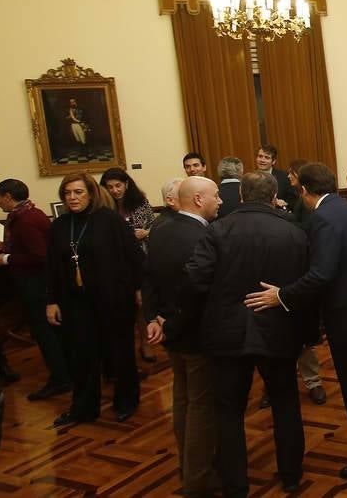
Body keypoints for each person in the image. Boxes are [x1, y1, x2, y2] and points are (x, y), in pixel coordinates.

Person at [243, 163, 347, 482]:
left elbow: (322, 273)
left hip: (346, 321)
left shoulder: (324, 218)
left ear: (303, 190)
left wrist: (281, 296)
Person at [186, 171, 307, 495]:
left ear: (240, 195)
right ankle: (292, 475)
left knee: (227, 412)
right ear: (273, 196)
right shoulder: (293, 232)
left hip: (226, 334)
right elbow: (305, 285)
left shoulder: (217, 230)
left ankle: (235, 484)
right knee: (285, 403)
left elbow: (196, 280)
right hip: (279, 330)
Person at [46, 173, 143, 426]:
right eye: (67, 193)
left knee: (120, 353)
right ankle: (84, 408)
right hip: (76, 302)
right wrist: (52, 300)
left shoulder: (110, 220)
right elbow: (53, 267)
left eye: (78, 192)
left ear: (90, 193)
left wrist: (138, 289)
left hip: (113, 300)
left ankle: (126, 402)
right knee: (82, 356)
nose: (72, 197)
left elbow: (134, 257)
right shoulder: (59, 225)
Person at [144, 176, 220, 497]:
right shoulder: (205, 236)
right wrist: (171, 323)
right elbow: (197, 291)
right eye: (216, 196)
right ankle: (198, 480)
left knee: (182, 399)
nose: (221, 200)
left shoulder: (160, 229)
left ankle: (187, 467)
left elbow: (147, 277)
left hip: (170, 332)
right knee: (201, 408)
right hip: (195, 335)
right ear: (199, 200)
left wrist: (154, 317)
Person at [259, 159, 327, 409]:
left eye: (291, 174)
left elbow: (308, 234)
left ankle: (313, 382)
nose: (288, 177)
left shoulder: (305, 206)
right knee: (272, 342)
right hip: (267, 288)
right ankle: (271, 386)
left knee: (304, 341)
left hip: (297, 282)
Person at [0, 179, 71, 400]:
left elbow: (39, 256)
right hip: (38, 284)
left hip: (37, 285)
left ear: (9, 196)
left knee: (45, 333)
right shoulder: (31, 213)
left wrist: (7, 258)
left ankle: (61, 379)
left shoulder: (26, 220)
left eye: (0, 198)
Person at [100, 167, 156, 363]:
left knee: (142, 304)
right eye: (110, 187)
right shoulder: (102, 207)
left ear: (126, 184)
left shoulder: (140, 202)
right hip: (114, 262)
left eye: (118, 186)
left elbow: (153, 227)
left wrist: (146, 233)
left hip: (140, 258)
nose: (115, 190)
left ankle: (145, 343)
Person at [255, 145, 296, 209]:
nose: (262, 160)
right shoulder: (249, 178)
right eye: (260, 156)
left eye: (267, 157)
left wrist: (284, 203)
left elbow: (293, 200)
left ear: (273, 161)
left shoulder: (285, 177)